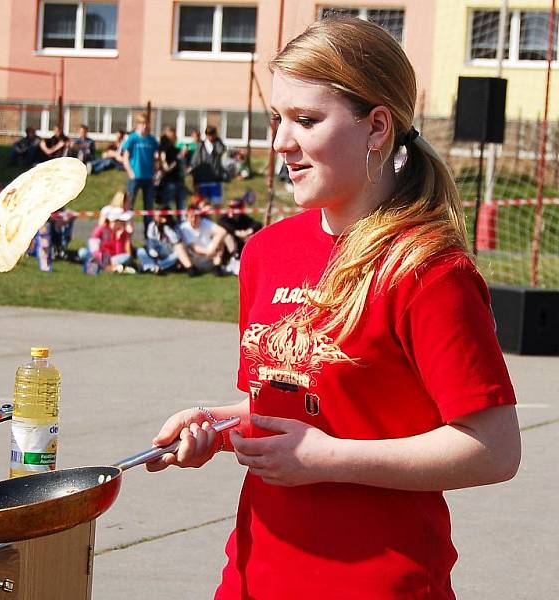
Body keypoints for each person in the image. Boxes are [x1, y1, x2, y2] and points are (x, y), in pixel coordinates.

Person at [147, 16, 521, 599]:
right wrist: (215, 427)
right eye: (278, 119)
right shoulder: (267, 251)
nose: (280, 143)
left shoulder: (427, 270)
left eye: (307, 120)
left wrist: (328, 459)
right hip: (252, 576)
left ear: (377, 127)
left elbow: (494, 450)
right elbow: (290, 402)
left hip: (377, 583)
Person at [122, 113, 159, 234]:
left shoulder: (152, 140)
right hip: (135, 177)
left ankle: (148, 235)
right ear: (138, 125)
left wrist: (156, 172)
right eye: (142, 124)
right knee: (129, 206)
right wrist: (130, 172)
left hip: (148, 178)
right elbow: (125, 157)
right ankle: (127, 233)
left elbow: (156, 158)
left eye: (146, 124)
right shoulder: (132, 138)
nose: (144, 126)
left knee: (149, 207)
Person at [78, 206, 136, 274]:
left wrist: (118, 239)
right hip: (100, 256)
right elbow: (94, 250)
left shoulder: (123, 233)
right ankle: (110, 267)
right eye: (122, 221)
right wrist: (104, 259)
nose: (123, 223)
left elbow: (119, 253)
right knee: (83, 252)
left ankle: (105, 267)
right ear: (113, 221)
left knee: (126, 257)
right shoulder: (100, 230)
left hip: (112, 258)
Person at [179, 199, 230, 274]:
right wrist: (208, 252)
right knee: (179, 247)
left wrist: (213, 247)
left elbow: (222, 231)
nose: (194, 219)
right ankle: (191, 270)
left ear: (200, 216)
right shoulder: (184, 227)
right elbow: (193, 247)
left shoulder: (205, 223)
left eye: (196, 216)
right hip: (194, 258)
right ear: (187, 217)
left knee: (221, 240)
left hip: (211, 256)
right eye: (191, 217)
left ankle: (217, 267)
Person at [190, 125, 228, 206]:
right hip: (203, 180)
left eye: (212, 135)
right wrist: (195, 178)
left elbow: (221, 151)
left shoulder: (218, 144)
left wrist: (217, 141)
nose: (210, 137)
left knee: (217, 204)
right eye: (208, 135)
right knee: (203, 204)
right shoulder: (201, 145)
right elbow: (195, 162)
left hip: (216, 180)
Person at [157, 127, 187, 216]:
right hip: (169, 182)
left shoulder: (175, 149)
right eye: (173, 136)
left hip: (179, 180)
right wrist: (180, 156)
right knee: (166, 205)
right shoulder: (164, 150)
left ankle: (181, 225)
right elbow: (167, 168)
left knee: (181, 207)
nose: (176, 137)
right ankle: (164, 224)